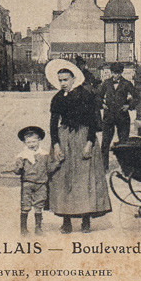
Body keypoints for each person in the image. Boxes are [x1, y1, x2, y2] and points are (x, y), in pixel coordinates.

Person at [46, 59, 111, 234]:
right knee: (64, 179)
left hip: (83, 138)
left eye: (66, 79)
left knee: (84, 179)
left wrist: (90, 143)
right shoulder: (57, 98)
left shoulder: (86, 95)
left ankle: (85, 220)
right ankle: (66, 221)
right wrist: (56, 145)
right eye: (60, 80)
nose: (63, 83)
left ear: (74, 78)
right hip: (65, 139)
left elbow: (93, 121)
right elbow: (53, 124)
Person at [12, 126, 58, 235]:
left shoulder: (44, 155)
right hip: (27, 183)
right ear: (24, 143)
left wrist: (57, 163)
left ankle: (38, 228)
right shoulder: (22, 156)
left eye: (34, 141)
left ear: (39, 140)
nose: (32, 144)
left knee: (39, 205)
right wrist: (17, 168)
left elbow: (49, 168)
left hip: (41, 184)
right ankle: (23, 229)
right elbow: (17, 170)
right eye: (28, 142)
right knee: (25, 205)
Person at [99, 62, 137, 171]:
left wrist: (128, 106)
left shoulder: (127, 83)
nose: (116, 75)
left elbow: (137, 97)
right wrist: (102, 104)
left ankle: (125, 167)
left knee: (124, 143)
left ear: (121, 72)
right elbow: (98, 96)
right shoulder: (106, 83)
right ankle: (104, 167)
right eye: (114, 73)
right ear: (111, 73)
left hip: (122, 117)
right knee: (105, 143)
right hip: (109, 117)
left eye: (118, 73)